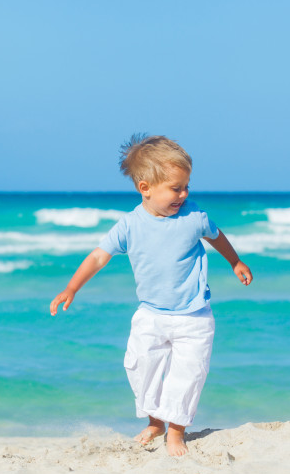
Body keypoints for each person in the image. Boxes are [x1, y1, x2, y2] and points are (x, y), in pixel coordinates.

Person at [49, 134, 253, 456]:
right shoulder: (130, 225)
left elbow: (216, 236)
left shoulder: (193, 216)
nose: (184, 194)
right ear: (145, 188)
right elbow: (99, 256)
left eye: (186, 187)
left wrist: (235, 261)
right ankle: (155, 422)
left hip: (194, 315)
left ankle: (176, 431)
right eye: (176, 188)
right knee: (141, 368)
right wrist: (71, 288)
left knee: (188, 374)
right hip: (151, 314)